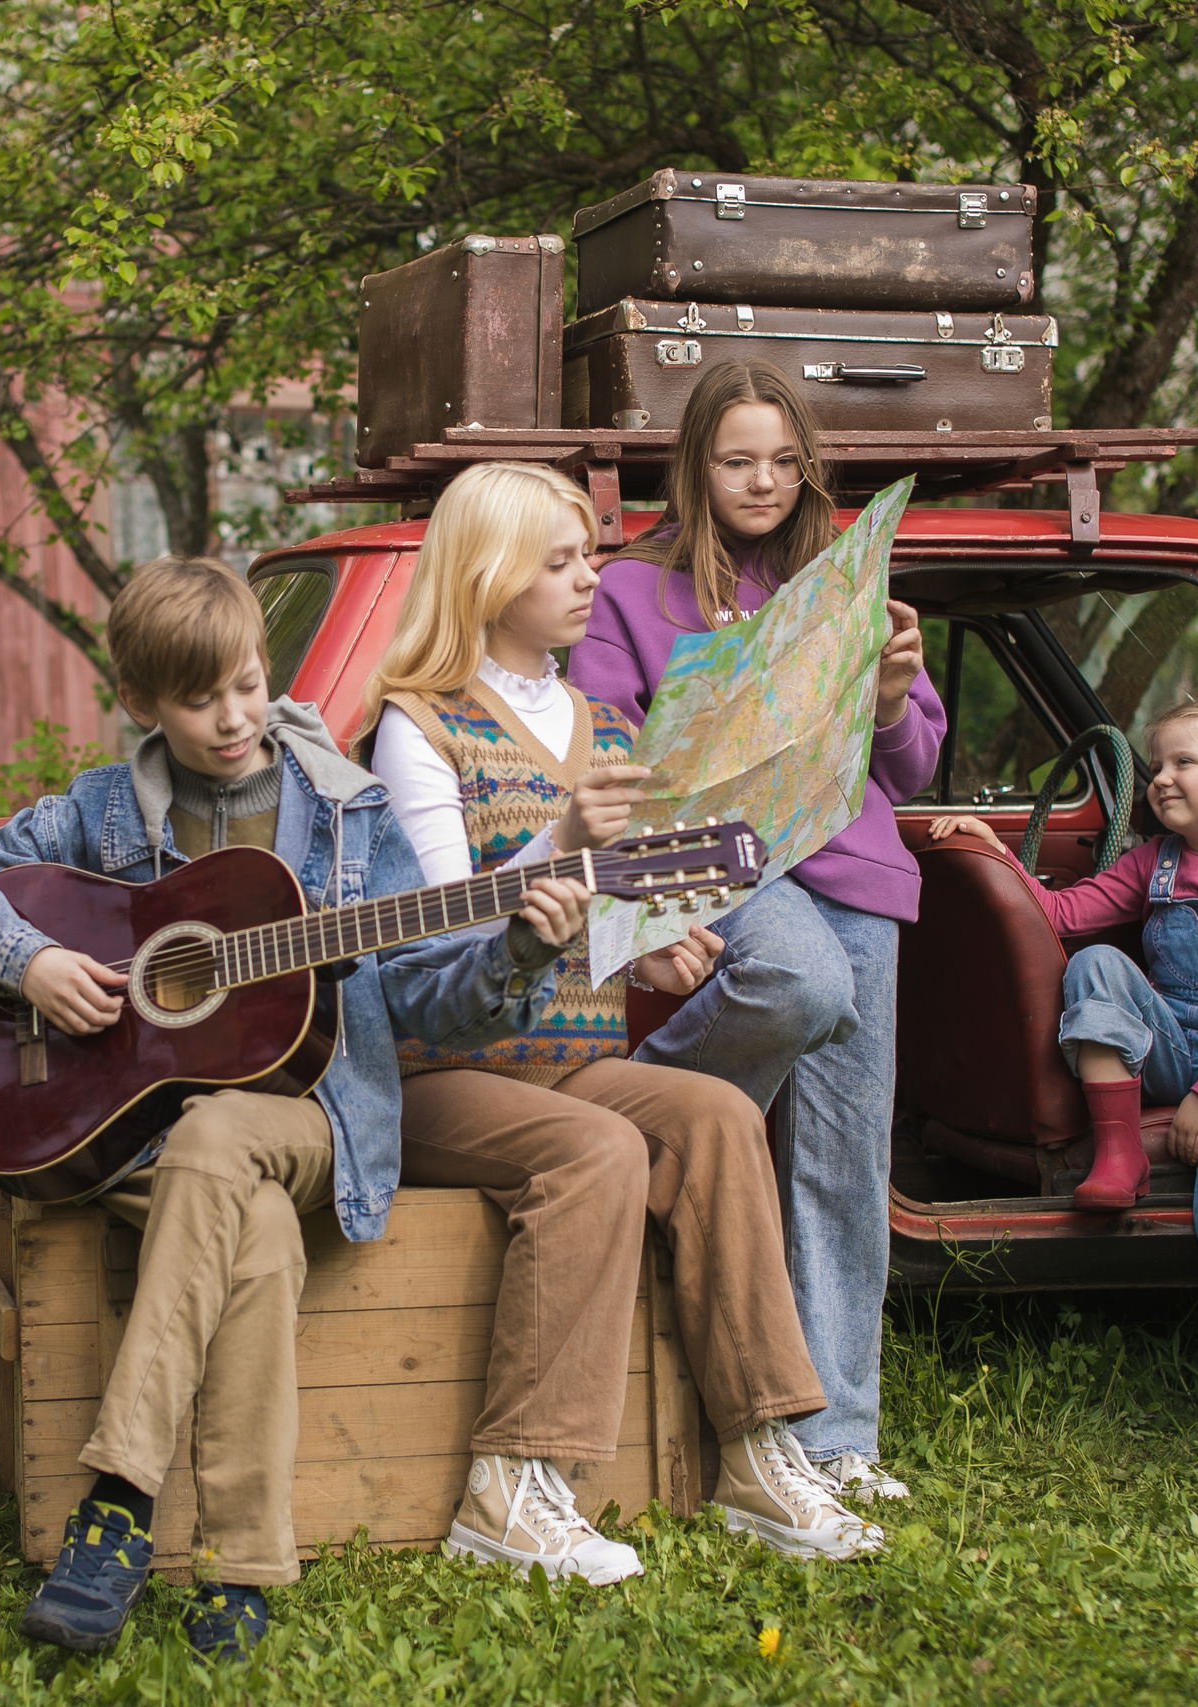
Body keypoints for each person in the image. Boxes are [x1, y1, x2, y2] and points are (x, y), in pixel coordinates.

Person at [0, 556, 597, 1659]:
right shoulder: (103, 813)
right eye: (200, 699)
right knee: (248, 1224)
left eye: (249, 685)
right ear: (142, 703)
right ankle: (242, 1568)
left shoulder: (350, 815)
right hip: (145, 1138)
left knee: (225, 1134)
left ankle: (117, 1502)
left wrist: (521, 952)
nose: (233, 718)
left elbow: (425, 1001)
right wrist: (27, 963)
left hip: (312, 1120)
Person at [362, 460, 886, 1582]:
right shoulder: (418, 728)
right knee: (598, 1147)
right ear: (487, 576)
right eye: (557, 562)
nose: (589, 578)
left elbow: (603, 903)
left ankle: (757, 1453)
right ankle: (509, 1486)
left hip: (572, 1062)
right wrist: (558, 843)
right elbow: (437, 947)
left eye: (588, 555)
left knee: (714, 1116)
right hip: (437, 1077)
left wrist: (646, 942)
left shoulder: (606, 725)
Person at [567, 360, 944, 1503]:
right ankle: (638, 1107)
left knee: (845, 1159)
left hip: (857, 869)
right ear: (694, 465)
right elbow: (603, 750)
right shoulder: (631, 590)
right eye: (738, 461)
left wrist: (890, 701)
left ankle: (837, 1440)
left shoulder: (842, 577)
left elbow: (911, 767)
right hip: (719, 858)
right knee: (801, 983)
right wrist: (649, 884)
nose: (764, 482)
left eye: (784, 461)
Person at [930, 688, 1198, 1441]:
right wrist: (993, 850)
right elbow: (1060, 915)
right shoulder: (1156, 860)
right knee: (1098, 963)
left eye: (1184, 763)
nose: (1161, 778)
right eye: (1157, 765)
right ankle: (1119, 1154)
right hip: (1173, 1041)